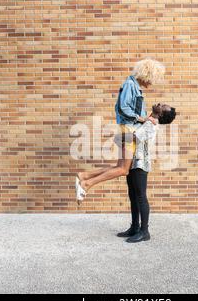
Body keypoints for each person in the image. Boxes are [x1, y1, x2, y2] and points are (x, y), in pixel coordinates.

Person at [75, 58, 165, 203]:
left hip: (129, 128)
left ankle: (84, 176)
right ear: (147, 75)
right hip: (129, 129)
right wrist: (143, 119)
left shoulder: (133, 85)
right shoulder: (130, 85)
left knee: (120, 167)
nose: (153, 82)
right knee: (123, 169)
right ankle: (86, 184)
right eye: (154, 78)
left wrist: (147, 119)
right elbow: (123, 109)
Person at [117, 103, 176, 243]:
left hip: (140, 164)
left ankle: (144, 231)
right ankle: (134, 227)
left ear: (160, 114)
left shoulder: (151, 125)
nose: (160, 104)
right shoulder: (148, 120)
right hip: (133, 162)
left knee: (141, 197)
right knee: (132, 195)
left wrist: (118, 137)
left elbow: (134, 137)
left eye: (163, 107)